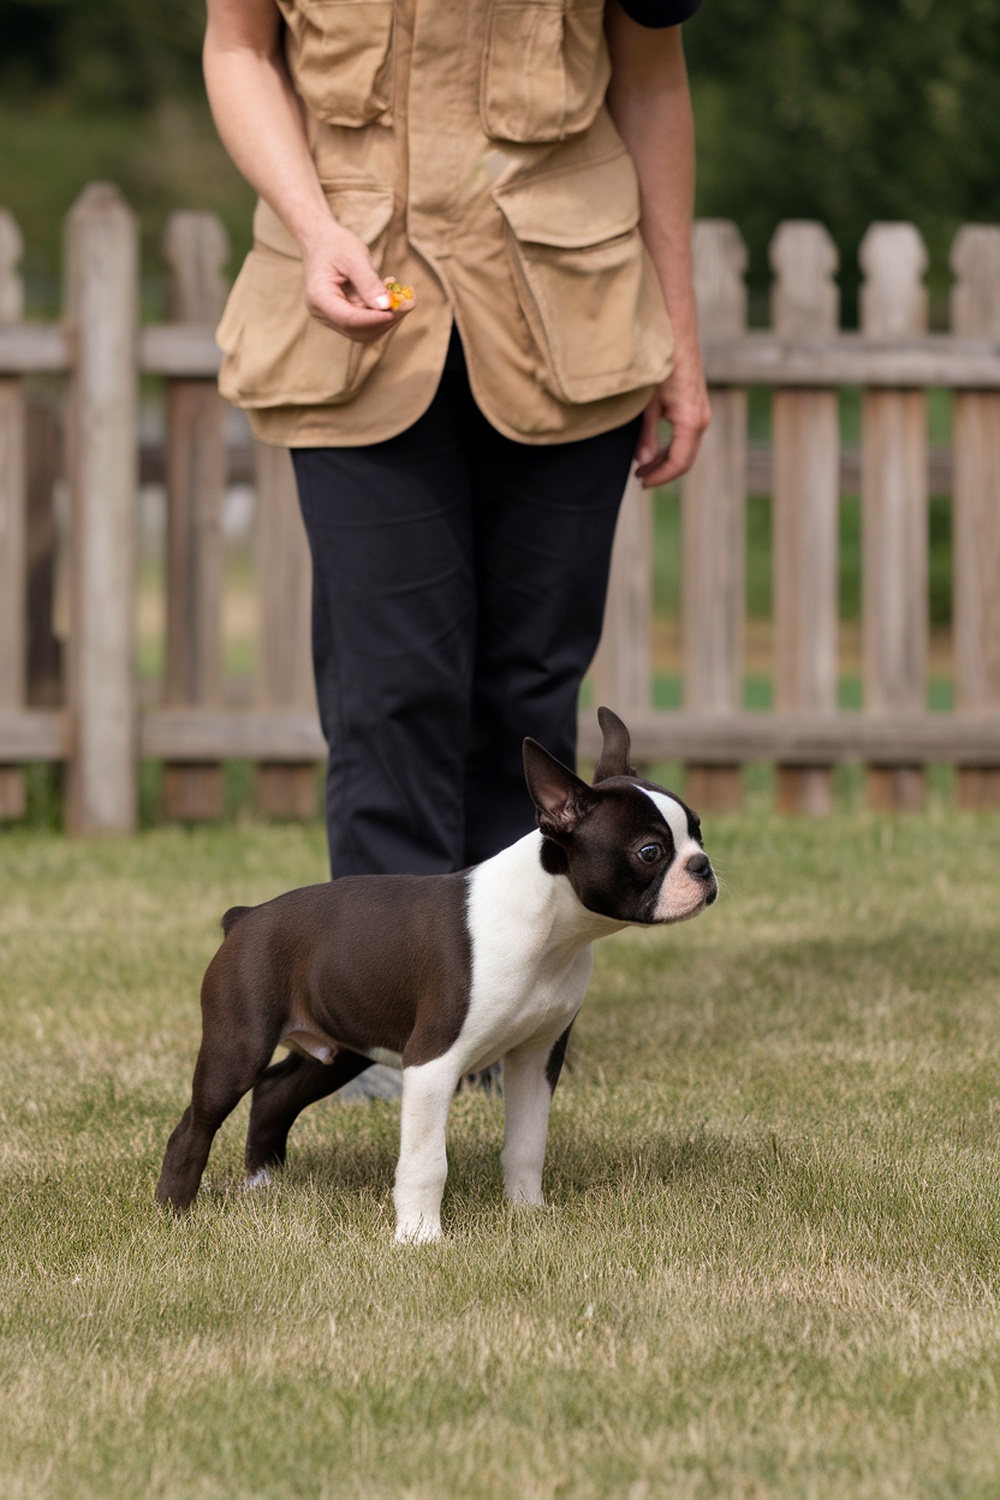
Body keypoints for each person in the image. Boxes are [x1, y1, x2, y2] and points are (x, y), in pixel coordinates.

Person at [205, 0, 711, 879]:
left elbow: (653, 81)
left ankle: (513, 1008)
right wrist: (313, 226)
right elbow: (240, 49)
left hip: (571, 318)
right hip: (354, 317)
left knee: (530, 694)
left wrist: (679, 340)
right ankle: (391, 1005)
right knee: (389, 692)